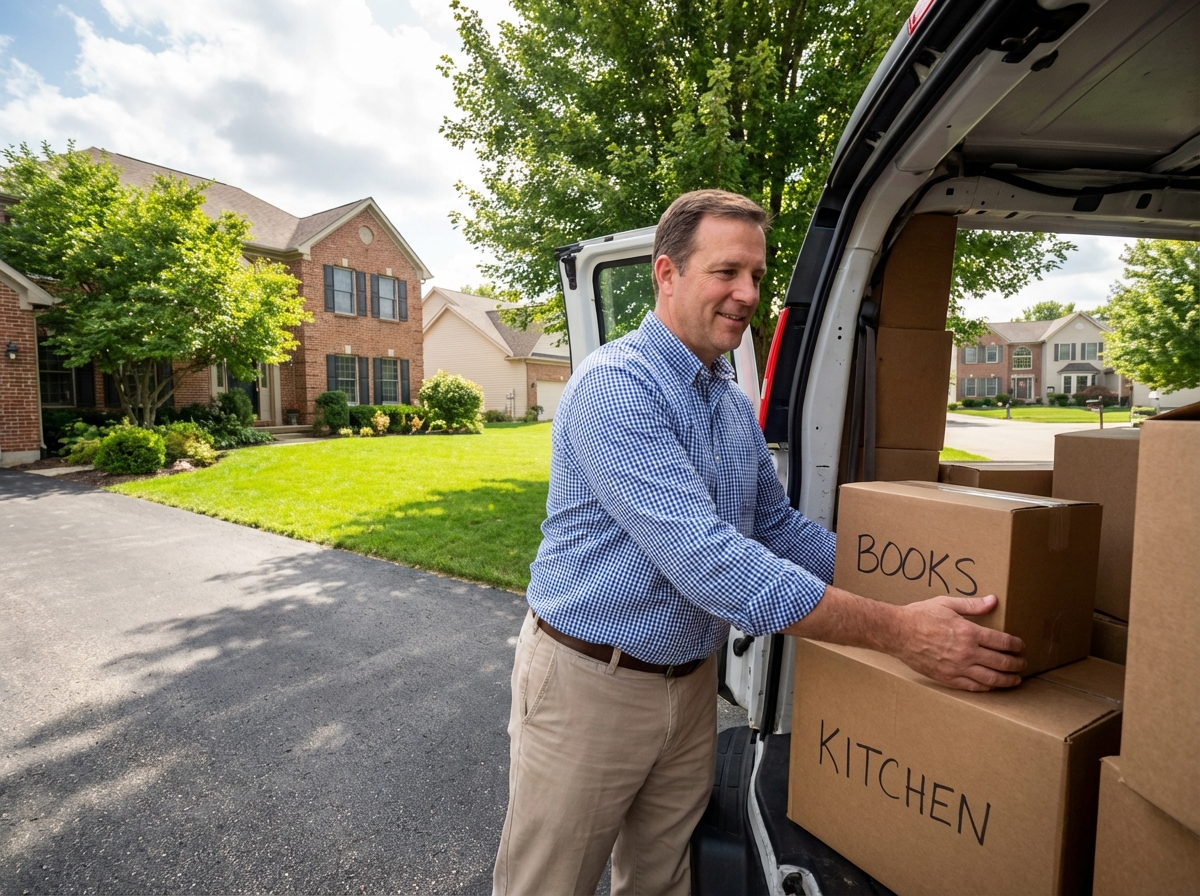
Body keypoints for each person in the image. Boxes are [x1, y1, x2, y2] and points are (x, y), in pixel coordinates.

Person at [493, 190, 1026, 896]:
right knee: (547, 885)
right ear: (667, 274)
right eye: (726, 272)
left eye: (755, 275)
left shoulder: (724, 397)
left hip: (687, 687)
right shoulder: (617, 388)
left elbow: (776, 528)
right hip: (589, 685)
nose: (747, 294)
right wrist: (901, 632)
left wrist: (914, 585)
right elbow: (713, 565)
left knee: (659, 880)